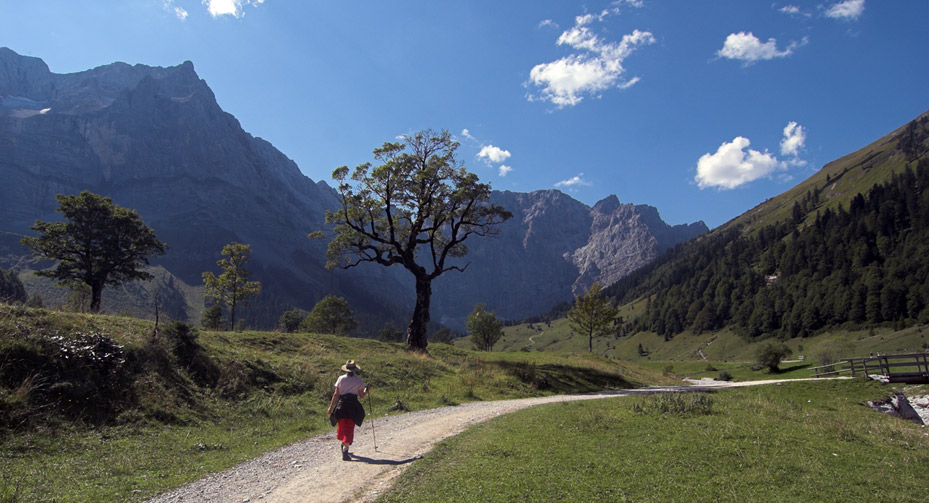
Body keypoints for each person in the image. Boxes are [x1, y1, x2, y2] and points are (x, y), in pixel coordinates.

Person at [327, 360, 369, 461]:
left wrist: (331, 407)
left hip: (341, 405)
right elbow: (362, 396)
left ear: (346, 369)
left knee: (341, 425)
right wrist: (366, 390)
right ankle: (345, 450)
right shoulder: (358, 380)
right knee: (349, 427)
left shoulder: (341, 379)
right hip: (353, 405)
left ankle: (344, 444)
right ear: (355, 370)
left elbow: (336, 394)